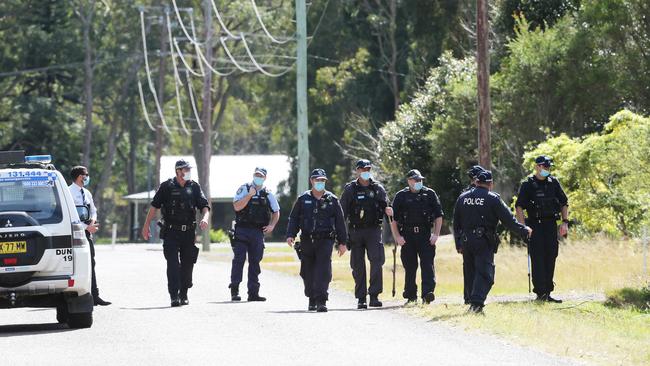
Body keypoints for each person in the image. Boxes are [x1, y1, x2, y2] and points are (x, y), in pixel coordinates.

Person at [453, 170, 532, 314]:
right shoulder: (493, 199)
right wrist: (524, 230)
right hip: (483, 241)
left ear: (476, 182)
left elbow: (456, 223)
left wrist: (458, 243)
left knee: (470, 271)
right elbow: (508, 220)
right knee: (485, 273)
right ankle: (476, 304)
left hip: (466, 241)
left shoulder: (462, 198)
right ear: (491, 184)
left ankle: (471, 301)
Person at [142, 160, 210, 307]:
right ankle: (174, 295)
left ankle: (184, 293)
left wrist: (205, 218)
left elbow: (205, 206)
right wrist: (146, 225)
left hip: (189, 232)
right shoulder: (166, 187)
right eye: (186, 169)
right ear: (178, 171)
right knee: (172, 264)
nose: (189, 172)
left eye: (189, 169)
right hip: (171, 231)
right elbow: (154, 206)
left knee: (187, 264)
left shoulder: (195, 186)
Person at [286, 169, 347, 312]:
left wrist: (342, 242)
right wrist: (291, 234)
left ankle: (321, 300)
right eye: (317, 180)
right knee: (307, 271)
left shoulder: (332, 200)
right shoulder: (303, 199)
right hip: (307, 240)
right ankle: (311, 297)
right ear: (311, 181)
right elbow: (294, 218)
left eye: (322, 181)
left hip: (325, 240)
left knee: (323, 270)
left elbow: (340, 222)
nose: (320, 183)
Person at [515, 155, 569, 303]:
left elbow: (564, 202)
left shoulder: (553, 183)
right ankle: (540, 293)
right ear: (537, 167)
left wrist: (565, 222)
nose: (547, 169)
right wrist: (523, 227)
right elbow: (519, 206)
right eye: (545, 167)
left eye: (548, 167)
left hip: (551, 225)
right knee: (538, 258)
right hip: (535, 225)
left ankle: (548, 292)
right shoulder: (528, 184)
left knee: (551, 256)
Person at [340, 159, 391, 309]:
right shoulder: (350, 189)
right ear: (357, 171)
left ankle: (374, 295)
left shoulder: (377, 188)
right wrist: (341, 236)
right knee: (358, 265)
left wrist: (389, 211)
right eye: (362, 169)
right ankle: (361, 298)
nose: (365, 171)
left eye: (368, 169)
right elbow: (341, 213)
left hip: (374, 230)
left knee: (376, 262)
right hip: (355, 231)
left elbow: (386, 208)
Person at [389, 169, 443, 305]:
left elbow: (438, 216)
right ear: (409, 181)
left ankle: (427, 294)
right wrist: (397, 237)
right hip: (407, 236)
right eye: (415, 179)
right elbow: (393, 220)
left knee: (427, 265)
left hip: (425, 235)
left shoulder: (430, 194)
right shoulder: (401, 196)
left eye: (420, 180)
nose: (419, 182)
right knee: (410, 266)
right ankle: (410, 295)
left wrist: (436, 234)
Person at [229, 167, 280, 302]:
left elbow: (276, 211)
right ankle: (234, 290)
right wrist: (249, 195)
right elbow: (237, 206)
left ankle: (253, 293)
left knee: (255, 262)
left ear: (265, 178)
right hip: (242, 230)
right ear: (253, 175)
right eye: (256, 175)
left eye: (261, 176)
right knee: (239, 260)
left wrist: (272, 225)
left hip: (258, 232)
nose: (258, 177)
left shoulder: (268, 193)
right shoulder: (244, 189)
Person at [68, 166, 111, 306]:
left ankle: (95, 295)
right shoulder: (68, 192)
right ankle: (80, 295)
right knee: (80, 264)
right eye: (85, 175)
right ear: (79, 176)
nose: (87, 177)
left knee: (91, 262)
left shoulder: (86, 192)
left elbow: (93, 210)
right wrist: (87, 227)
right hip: (75, 233)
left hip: (87, 232)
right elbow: (71, 216)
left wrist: (92, 221)